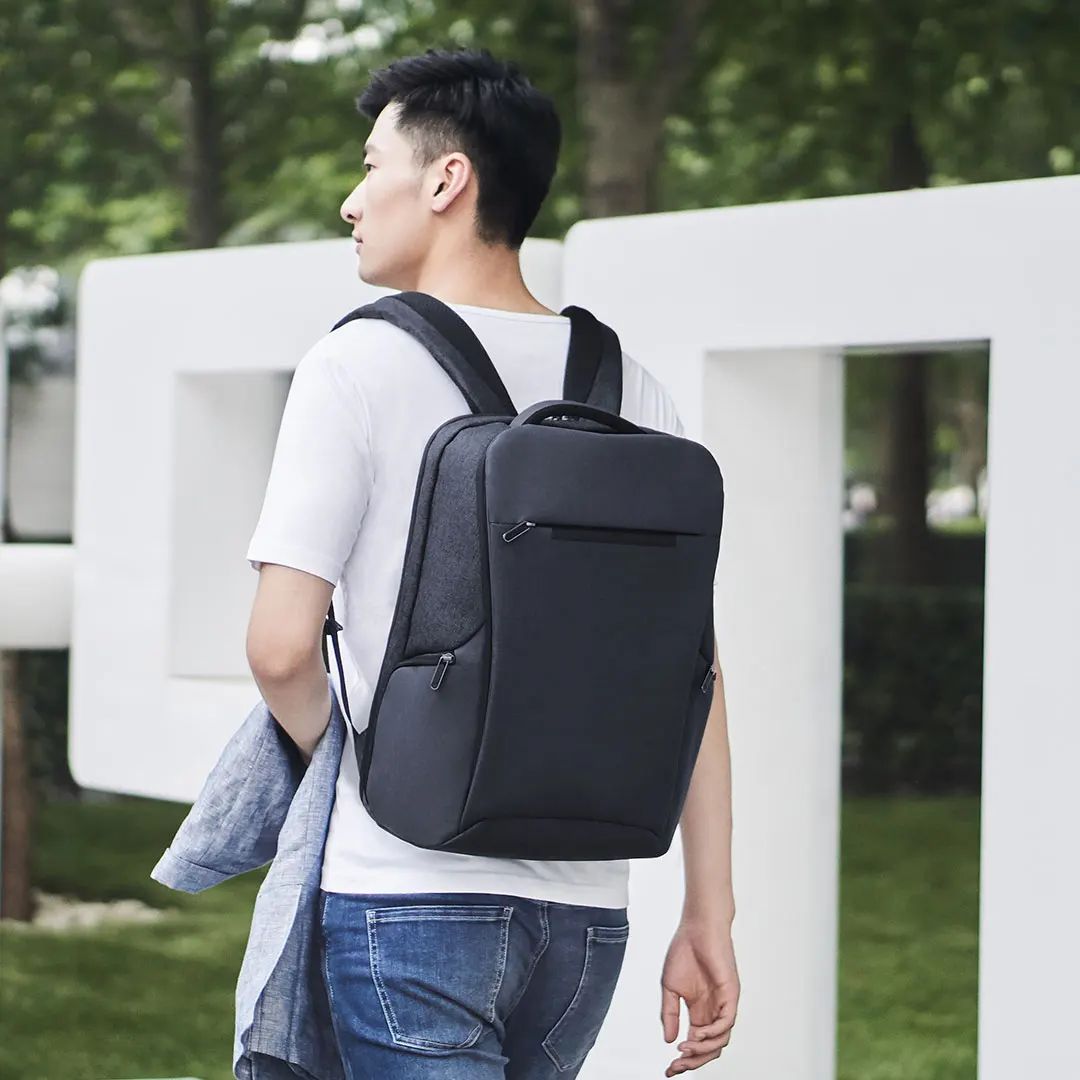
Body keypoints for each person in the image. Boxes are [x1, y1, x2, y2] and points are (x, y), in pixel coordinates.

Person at [244, 48, 739, 1080]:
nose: (350, 202)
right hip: (586, 920)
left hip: (405, 892)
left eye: (370, 166)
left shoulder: (355, 364)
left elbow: (281, 648)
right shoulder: (631, 388)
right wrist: (709, 911)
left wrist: (376, 768)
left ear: (446, 179)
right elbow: (692, 676)